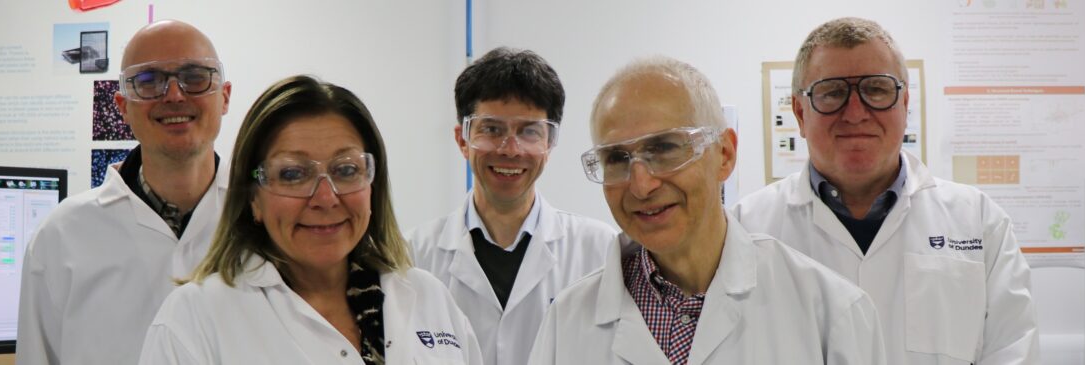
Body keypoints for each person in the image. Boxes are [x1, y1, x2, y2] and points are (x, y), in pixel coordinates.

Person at [529, 56, 885, 364]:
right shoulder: (567, 321)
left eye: (665, 148)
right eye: (617, 159)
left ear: (724, 155)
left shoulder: (831, 312)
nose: (641, 185)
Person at [731, 17, 1039, 364]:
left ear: (904, 104)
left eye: (876, 89)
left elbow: (1013, 350)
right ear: (800, 113)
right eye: (832, 92)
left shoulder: (980, 222)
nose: (855, 113)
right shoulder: (746, 227)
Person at [138, 75, 483, 365]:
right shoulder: (195, 319)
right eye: (292, 174)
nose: (325, 198)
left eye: (346, 170)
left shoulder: (428, 298)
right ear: (253, 197)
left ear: (372, 184)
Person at [16, 20, 232, 365]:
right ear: (122, 107)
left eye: (194, 77)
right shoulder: (61, 236)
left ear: (224, 97)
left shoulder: (265, 220)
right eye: (148, 81)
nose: (174, 95)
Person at [406, 47, 616, 365]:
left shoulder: (599, 251)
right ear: (462, 140)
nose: (511, 150)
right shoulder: (413, 256)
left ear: (550, 143)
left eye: (529, 131)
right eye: (492, 129)